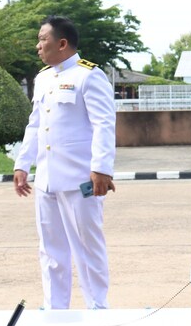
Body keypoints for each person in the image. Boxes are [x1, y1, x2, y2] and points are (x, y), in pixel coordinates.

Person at [13, 16, 116, 310]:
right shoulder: (43, 78)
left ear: (61, 43)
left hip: (80, 179)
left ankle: (98, 309)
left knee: (87, 248)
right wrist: (23, 164)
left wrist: (101, 169)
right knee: (50, 250)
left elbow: (104, 124)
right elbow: (35, 124)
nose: (38, 46)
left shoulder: (89, 76)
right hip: (47, 179)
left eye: (42, 39)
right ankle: (55, 309)